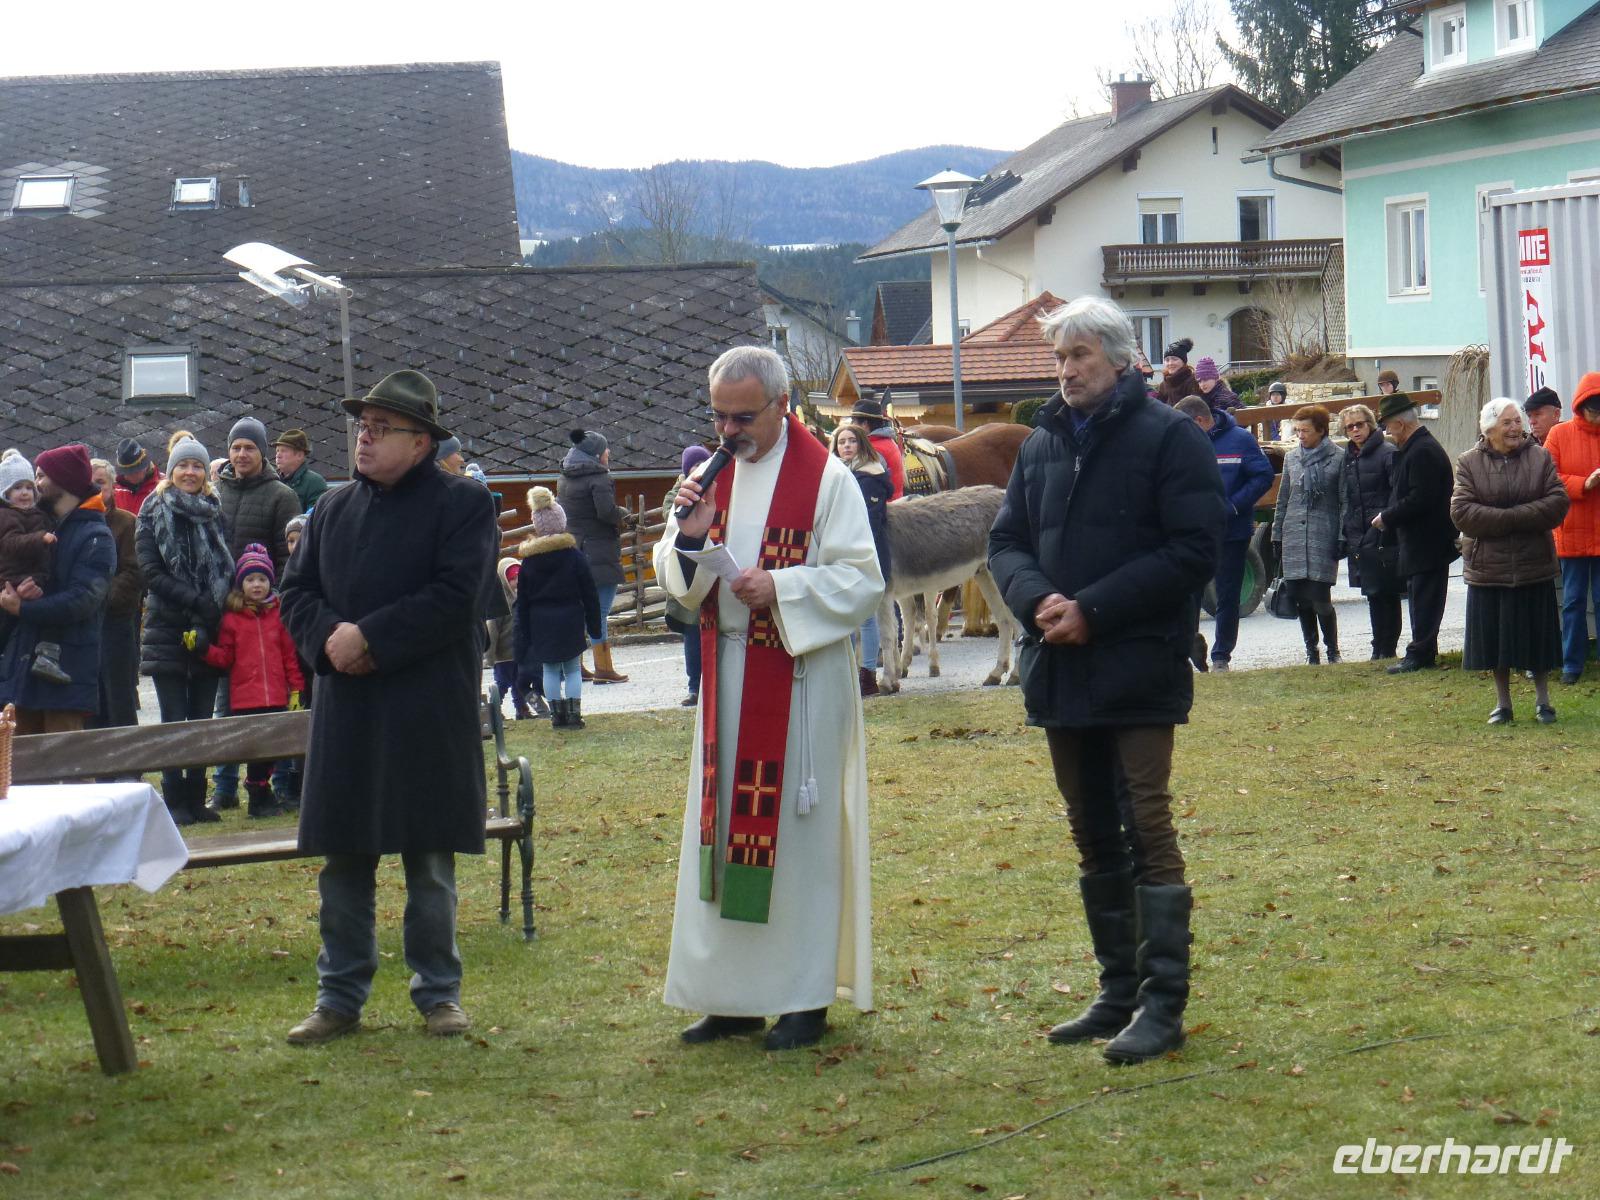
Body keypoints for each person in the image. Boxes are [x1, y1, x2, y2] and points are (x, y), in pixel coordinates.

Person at [988, 296, 1224, 1065]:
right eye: (1059, 358)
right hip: (1060, 666)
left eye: (1079, 356)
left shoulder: (1168, 438)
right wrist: (1039, 601)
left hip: (1138, 662)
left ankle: (1163, 1006)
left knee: (1145, 827)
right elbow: (1008, 540)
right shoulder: (1042, 443)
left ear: (1120, 360)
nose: (1066, 371)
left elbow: (1194, 551)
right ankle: (1117, 991)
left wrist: (1094, 608)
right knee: (1090, 830)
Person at [654, 345, 884, 1053]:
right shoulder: (706, 476)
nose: (728, 432)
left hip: (800, 677)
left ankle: (801, 997)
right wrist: (690, 541)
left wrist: (780, 588)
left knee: (797, 845)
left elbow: (861, 579)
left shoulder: (828, 479)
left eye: (743, 416)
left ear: (784, 405)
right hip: (728, 675)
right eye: (719, 416)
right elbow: (675, 580)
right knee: (722, 837)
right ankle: (730, 998)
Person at [279, 369, 497, 1045]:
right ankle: (339, 997)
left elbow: (459, 595)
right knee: (344, 859)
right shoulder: (334, 509)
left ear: (422, 441)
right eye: (362, 428)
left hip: (425, 706)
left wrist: (371, 636)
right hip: (349, 708)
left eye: (381, 430)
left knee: (428, 861)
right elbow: (296, 592)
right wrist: (331, 642)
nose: (364, 440)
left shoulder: (464, 505)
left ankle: (439, 994)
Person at [1450, 398, 1567, 724]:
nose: (1516, 428)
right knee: (1496, 642)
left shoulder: (1540, 457)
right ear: (1489, 429)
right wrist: (1521, 517)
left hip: (1533, 564)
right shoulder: (1468, 462)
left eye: (1518, 421)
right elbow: (1462, 513)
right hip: (1490, 567)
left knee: (1538, 639)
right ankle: (1503, 704)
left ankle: (1544, 702)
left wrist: (1505, 517)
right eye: (1508, 422)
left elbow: (1557, 503)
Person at [137, 434, 232, 824]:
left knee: (202, 720)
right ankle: (174, 800)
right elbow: (151, 572)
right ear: (171, 470)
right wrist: (195, 601)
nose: (190, 472)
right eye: (183, 465)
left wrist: (211, 611)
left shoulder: (214, 510)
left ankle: (197, 799)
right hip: (167, 627)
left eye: (196, 465)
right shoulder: (152, 510)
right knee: (174, 720)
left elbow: (227, 565)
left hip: (209, 626)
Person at [209, 417, 302, 811]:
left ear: (262, 451)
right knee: (226, 705)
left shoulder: (281, 495)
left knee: (274, 704)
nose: (242, 454)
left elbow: (289, 557)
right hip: (228, 612)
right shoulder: (215, 495)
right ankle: (225, 788)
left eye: (249, 447)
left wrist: (272, 599)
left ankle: (276, 785)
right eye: (236, 448)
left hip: (268, 612)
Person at [0, 445, 116, 735]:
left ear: (63, 480)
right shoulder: (39, 526)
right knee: (21, 770)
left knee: (69, 769)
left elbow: (82, 601)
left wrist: (23, 608)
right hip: (25, 670)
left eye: (40, 476)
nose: (35, 485)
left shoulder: (95, 537)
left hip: (67, 673)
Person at [194, 544, 306, 815]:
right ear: (241, 584)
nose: (257, 585)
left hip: (276, 695)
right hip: (247, 698)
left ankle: (262, 791)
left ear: (271, 582)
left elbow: (289, 655)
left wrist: (296, 690)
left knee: (276, 749)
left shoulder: (278, 615)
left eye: (262, 579)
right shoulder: (232, 620)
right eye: (250, 579)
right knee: (259, 750)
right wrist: (203, 649)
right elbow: (225, 657)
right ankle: (257, 794)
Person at [1174, 398, 1272, 670]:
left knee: (1227, 594)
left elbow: (1263, 476)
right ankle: (1189, 646)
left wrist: (1233, 505)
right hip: (1192, 532)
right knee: (1187, 592)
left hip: (1231, 530)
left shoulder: (1240, 440)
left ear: (1200, 421)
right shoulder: (1182, 442)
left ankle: (1221, 657)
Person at [1373, 394, 1458, 674]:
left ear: (1400, 423)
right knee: (1420, 595)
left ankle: (1420, 653)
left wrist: (1387, 517)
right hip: (1420, 540)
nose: (1386, 431)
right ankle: (1423, 650)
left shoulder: (1422, 451)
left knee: (1425, 598)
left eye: (1387, 425)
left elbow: (1420, 498)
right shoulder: (1414, 448)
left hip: (1428, 540)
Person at [514, 487, 602, 730]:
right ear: (561, 522)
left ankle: (556, 716)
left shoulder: (529, 562)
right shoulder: (573, 556)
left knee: (550, 669)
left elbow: (523, 601)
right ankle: (574, 715)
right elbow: (589, 592)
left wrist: (525, 634)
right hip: (571, 618)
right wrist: (594, 626)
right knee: (572, 668)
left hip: (540, 622)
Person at [1272, 405, 1348, 665]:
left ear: (1321, 430)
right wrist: (1277, 533)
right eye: (1297, 430)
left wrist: (1342, 536)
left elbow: (1344, 500)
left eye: (1305, 430)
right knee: (1300, 599)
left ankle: (1332, 650)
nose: (1300, 436)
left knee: (1320, 599)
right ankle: (1311, 651)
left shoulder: (1338, 457)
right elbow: (1283, 498)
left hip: (1322, 534)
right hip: (1293, 534)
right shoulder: (1291, 458)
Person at [559, 428, 630, 684]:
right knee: (600, 610)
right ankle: (604, 667)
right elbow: (605, 512)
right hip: (599, 550)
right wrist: (623, 514)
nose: (609, 453)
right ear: (597, 454)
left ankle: (575, 666)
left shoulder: (565, 478)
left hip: (574, 550)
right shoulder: (600, 478)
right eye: (606, 449)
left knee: (579, 610)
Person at [1543, 371, 1600, 684]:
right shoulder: (1559, 435)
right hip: (1573, 532)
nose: (1597, 418)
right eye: (1593, 411)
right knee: (1574, 601)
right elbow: (1549, 480)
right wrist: (1585, 483)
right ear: (1581, 407)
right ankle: (1571, 665)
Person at [830, 424, 893, 695]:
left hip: (866, 555)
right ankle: (846, 673)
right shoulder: (836, 476)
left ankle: (867, 676)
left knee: (867, 619)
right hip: (838, 556)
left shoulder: (869, 477)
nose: (846, 446)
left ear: (861, 445)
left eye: (851, 441)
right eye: (841, 441)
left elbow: (869, 522)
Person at [1339, 405, 1404, 660]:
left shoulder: (1387, 452)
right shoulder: (1349, 456)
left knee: (1387, 592)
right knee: (1372, 593)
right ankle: (1378, 645)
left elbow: (1397, 491)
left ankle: (1387, 647)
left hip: (1382, 531)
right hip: (1359, 533)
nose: (1355, 430)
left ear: (1370, 424)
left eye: (1359, 425)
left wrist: (1385, 521)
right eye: (1350, 427)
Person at [89, 458, 142, 728]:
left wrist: (95, 597)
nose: (96, 489)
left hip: (117, 623)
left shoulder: (127, 523)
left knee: (119, 696)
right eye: (90, 483)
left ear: (112, 486)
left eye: (101, 483)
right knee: (91, 700)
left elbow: (133, 574)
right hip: (84, 626)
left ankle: (128, 767)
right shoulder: (74, 523)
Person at [662, 445, 713, 706]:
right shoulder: (676, 496)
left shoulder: (716, 490)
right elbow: (673, 521)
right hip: (688, 571)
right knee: (693, 633)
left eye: (704, 465)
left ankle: (713, 685)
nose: (699, 470)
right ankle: (695, 686)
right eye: (695, 466)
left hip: (713, 569)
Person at [0, 450, 57, 659]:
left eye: (28, 487)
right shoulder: (6, 516)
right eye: (17, 488)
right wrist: (40, 538)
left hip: (36, 577)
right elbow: (10, 543)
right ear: (5, 493)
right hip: (12, 579)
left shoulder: (38, 514)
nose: (24, 493)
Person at [848, 397, 906, 500]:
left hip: (882, 509)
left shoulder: (873, 450)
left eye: (853, 421)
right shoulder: (888, 442)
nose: (851, 425)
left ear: (865, 424)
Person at [273, 429, 329, 513]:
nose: (278, 455)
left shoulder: (314, 482)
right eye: (277, 451)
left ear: (299, 455)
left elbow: (315, 516)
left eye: (283, 451)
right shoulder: (271, 480)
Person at [113, 438, 162, 515]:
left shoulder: (163, 488)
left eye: (133, 472)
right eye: (125, 472)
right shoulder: (114, 489)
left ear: (145, 466)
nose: (127, 477)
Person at [1156, 337, 1200, 406]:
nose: (1170, 363)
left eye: (1174, 359)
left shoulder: (1192, 382)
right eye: (1167, 360)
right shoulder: (1164, 384)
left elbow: (1195, 407)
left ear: (1183, 362)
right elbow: (1159, 406)